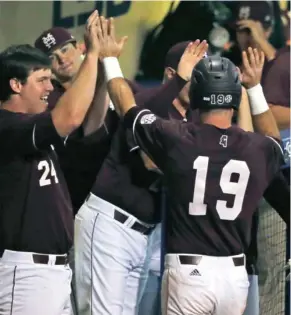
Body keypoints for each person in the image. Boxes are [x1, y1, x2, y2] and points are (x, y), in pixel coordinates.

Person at [102, 40, 284, 315]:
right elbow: (274, 140)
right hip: (234, 277)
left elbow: (125, 104)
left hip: (190, 273)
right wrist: (255, 87)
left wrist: (108, 59)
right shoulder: (256, 148)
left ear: (198, 94)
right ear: (234, 99)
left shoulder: (178, 138)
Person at [74, 17, 209, 315]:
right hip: (111, 224)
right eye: (194, 74)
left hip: (144, 234)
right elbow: (152, 162)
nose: (201, 82)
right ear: (172, 74)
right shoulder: (143, 102)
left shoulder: (194, 120)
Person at [0, 10, 101, 315]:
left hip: (52, 270)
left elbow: (86, 122)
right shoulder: (7, 126)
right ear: (16, 85)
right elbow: (69, 118)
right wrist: (94, 55)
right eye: (41, 80)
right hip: (25, 271)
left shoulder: (29, 124)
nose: (49, 88)